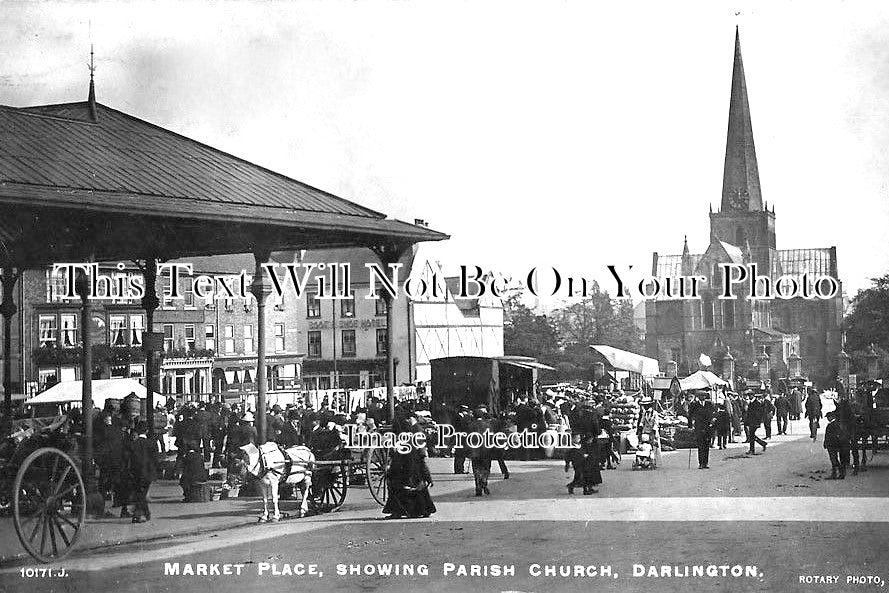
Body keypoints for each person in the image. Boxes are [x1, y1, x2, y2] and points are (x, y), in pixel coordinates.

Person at [382, 413, 436, 518]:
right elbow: (421, 457)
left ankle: (398, 511)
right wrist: (427, 476)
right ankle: (422, 509)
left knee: (397, 486)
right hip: (415, 469)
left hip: (402, 470)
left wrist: (390, 471)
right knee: (417, 486)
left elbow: (395, 458)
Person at [126, 419, 159, 523]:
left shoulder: (133, 444)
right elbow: (155, 459)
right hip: (148, 473)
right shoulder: (152, 443)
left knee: (140, 493)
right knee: (142, 493)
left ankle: (142, 513)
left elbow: (128, 458)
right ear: (147, 431)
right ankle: (142, 513)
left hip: (136, 473)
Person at [468, 406, 494, 496]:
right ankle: (484, 480)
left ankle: (478, 486)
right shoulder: (487, 425)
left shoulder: (470, 426)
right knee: (486, 468)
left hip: (474, 450)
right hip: (486, 450)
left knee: (476, 469)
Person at [688, 392, 715, 469]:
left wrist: (713, 420)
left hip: (708, 427)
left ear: (705, 396)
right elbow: (690, 415)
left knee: (707, 445)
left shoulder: (709, 404)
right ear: (698, 397)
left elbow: (714, 413)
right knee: (700, 446)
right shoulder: (694, 405)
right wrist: (690, 426)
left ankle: (705, 463)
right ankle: (700, 463)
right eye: (700, 396)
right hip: (699, 427)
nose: (702, 397)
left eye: (703, 396)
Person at [823, 411, 851, 480]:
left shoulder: (832, 425)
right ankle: (839, 473)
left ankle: (837, 473)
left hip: (832, 444)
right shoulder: (837, 424)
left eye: (828, 417)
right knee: (835, 459)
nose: (827, 419)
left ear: (831, 417)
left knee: (834, 460)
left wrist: (826, 443)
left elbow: (829, 435)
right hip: (838, 444)